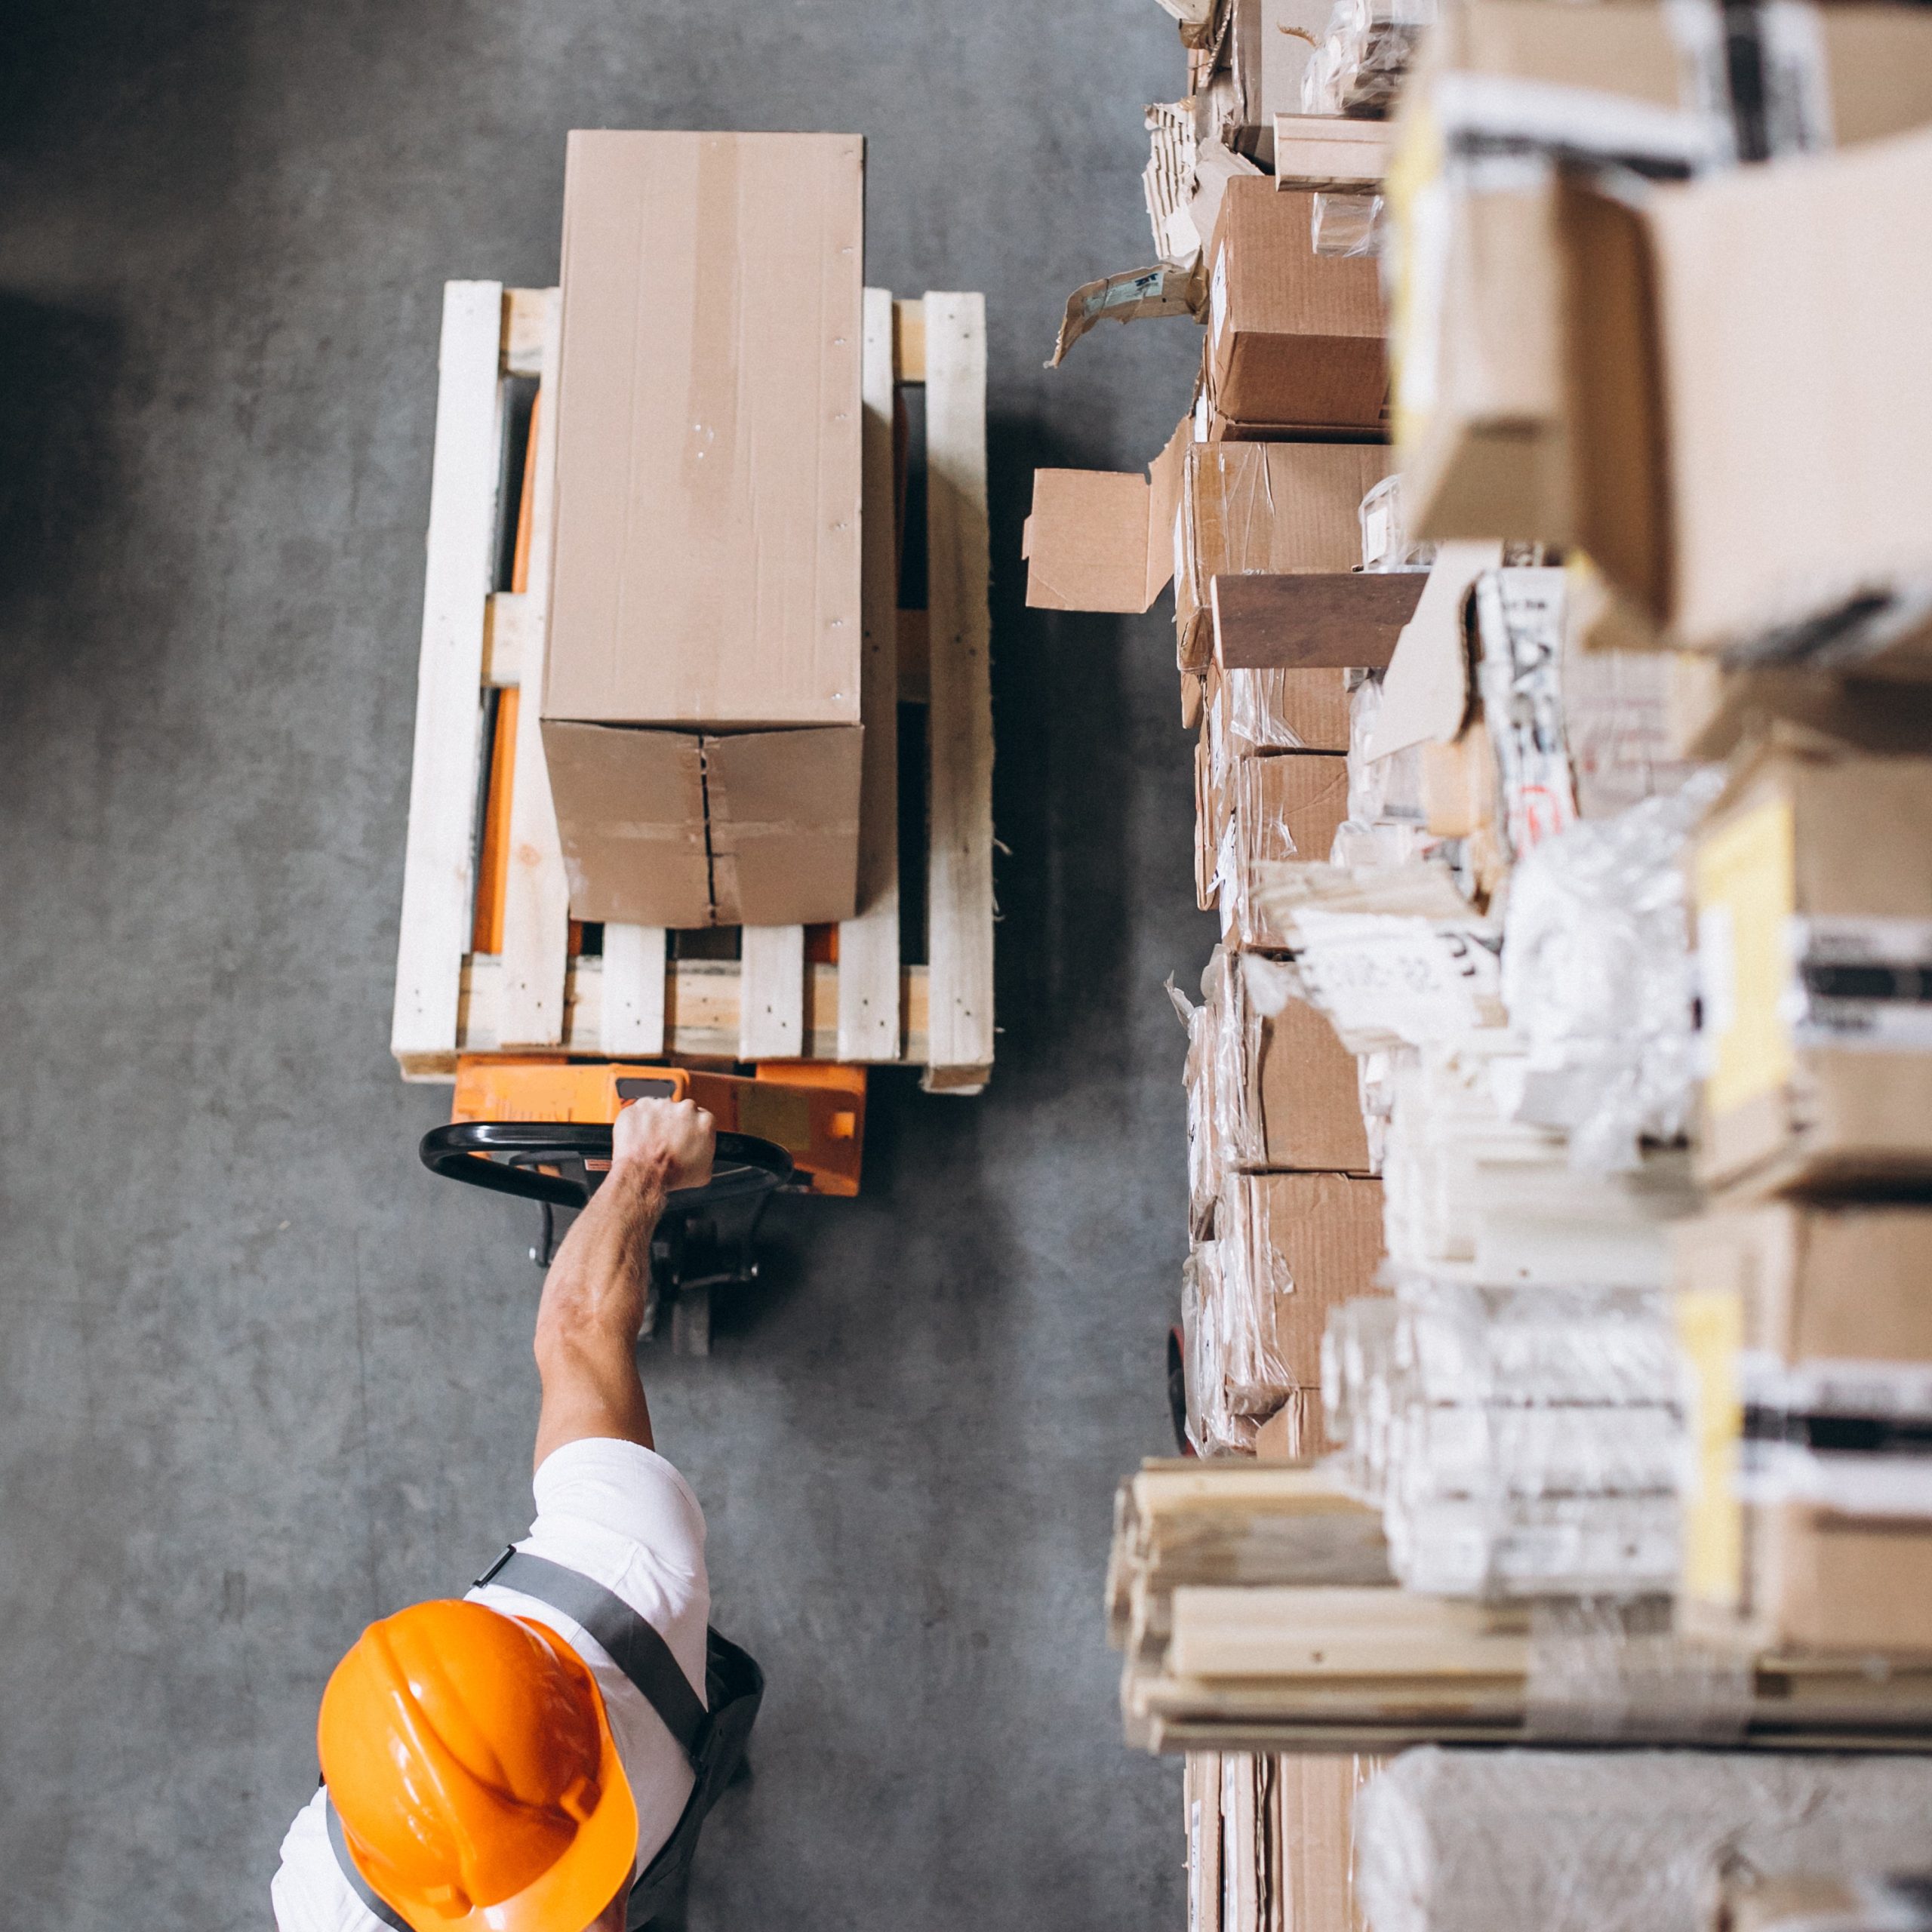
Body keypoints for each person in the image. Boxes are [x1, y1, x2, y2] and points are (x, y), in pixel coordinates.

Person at [270, 1098, 761, 1932]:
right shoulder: (323, 1904)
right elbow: (577, 1336)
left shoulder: (631, 1575)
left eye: (577, 1883)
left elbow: (582, 1333)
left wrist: (641, 1174)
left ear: (591, 1706)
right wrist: (644, 1161)